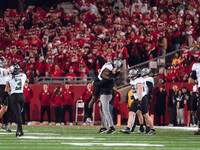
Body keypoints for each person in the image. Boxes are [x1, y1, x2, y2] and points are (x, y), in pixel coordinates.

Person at [86, 58, 123, 124]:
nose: (117, 70)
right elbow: (103, 75)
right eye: (117, 68)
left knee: (106, 94)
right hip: (99, 80)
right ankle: (88, 116)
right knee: (93, 98)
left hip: (103, 82)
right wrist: (110, 78)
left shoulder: (112, 67)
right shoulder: (109, 66)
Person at [121, 68, 155, 134]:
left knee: (146, 115)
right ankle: (128, 128)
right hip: (137, 98)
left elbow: (140, 91)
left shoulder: (139, 80)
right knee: (131, 112)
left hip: (142, 98)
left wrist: (139, 101)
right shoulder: (134, 80)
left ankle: (152, 129)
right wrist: (134, 96)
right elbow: (136, 91)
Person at [94, 58, 123, 134]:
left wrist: (94, 82)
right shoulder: (111, 74)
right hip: (104, 94)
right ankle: (103, 127)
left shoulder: (110, 77)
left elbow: (102, 82)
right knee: (102, 111)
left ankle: (112, 127)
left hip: (106, 94)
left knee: (106, 111)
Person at [5, 63, 27, 137]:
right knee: (18, 114)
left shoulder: (9, 77)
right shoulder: (23, 75)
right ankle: (18, 131)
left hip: (14, 96)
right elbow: (26, 80)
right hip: (22, 96)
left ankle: (21, 132)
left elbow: (7, 89)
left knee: (17, 115)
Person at [0, 57, 11, 132]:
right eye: (3, 62)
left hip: (5, 88)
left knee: (6, 108)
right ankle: (5, 124)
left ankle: (5, 124)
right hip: (1, 88)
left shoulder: (5, 69)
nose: (5, 63)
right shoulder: (1, 69)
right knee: (4, 108)